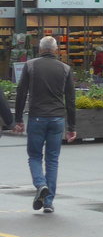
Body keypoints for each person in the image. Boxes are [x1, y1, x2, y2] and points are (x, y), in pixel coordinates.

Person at [13, 36, 77, 214]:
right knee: (52, 160)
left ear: (40, 49)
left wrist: (18, 119)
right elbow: (71, 99)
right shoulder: (65, 68)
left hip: (37, 118)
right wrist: (72, 127)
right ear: (55, 50)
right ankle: (48, 202)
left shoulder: (30, 65)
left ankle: (41, 184)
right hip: (57, 119)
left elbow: (21, 93)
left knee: (34, 156)